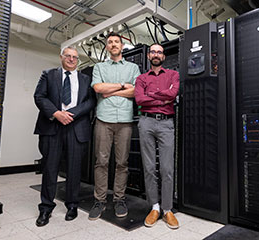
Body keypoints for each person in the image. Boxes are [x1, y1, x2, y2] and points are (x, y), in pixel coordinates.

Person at [33, 46, 96, 227]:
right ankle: (45, 208)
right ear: (61, 57)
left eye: (74, 57)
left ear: (78, 60)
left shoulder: (86, 79)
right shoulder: (48, 74)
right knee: (50, 169)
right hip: (52, 126)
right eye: (67, 56)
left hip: (76, 128)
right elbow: (39, 97)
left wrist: (72, 113)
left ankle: (72, 205)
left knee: (74, 169)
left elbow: (91, 101)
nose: (71, 59)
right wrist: (56, 113)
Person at [88, 32, 140, 220]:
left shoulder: (133, 67)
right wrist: (121, 86)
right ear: (107, 47)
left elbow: (135, 92)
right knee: (101, 162)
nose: (113, 44)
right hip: (104, 120)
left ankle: (119, 199)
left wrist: (111, 92)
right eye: (109, 42)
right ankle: (99, 201)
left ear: (122, 45)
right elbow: (98, 89)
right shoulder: (99, 67)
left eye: (116, 41)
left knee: (122, 163)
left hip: (125, 121)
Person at [134, 43, 180, 229]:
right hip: (146, 122)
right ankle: (154, 207)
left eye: (159, 52)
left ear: (163, 56)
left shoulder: (173, 75)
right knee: (149, 167)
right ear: (148, 56)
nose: (156, 54)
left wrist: (152, 94)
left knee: (167, 168)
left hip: (166, 123)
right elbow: (139, 99)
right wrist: (163, 96)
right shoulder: (141, 78)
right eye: (153, 51)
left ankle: (167, 209)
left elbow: (173, 93)